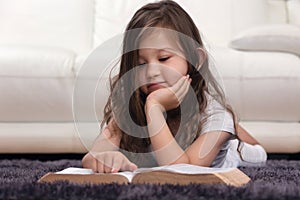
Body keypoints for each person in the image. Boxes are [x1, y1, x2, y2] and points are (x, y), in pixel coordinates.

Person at [82, 0, 267, 173]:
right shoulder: (131, 106)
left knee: (248, 145)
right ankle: (232, 127)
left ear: (195, 60)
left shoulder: (215, 116)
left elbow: (183, 170)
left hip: (236, 153)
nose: (151, 72)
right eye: (140, 64)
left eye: (163, 58)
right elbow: (91, 157)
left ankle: (232, 128)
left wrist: (154, 107)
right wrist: (105, 158)